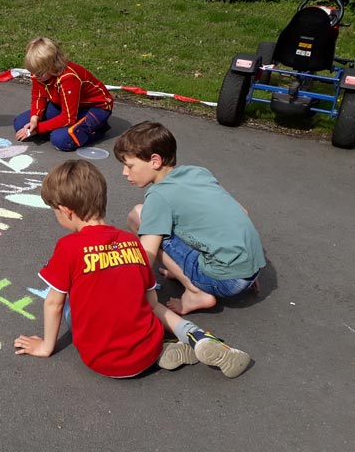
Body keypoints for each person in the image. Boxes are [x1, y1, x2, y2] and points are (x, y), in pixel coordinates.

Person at [14, 160, 251, 378]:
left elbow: (53, 304)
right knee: (131, 297)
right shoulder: (131, 240)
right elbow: (150, 301)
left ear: (67, 211)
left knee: (67, 301)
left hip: (104, 363)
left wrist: (46, 346)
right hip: (148, 350)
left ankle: (166, 348)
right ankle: (174, 344)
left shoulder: (68, 247)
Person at [113, 121, 266, 315]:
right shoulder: (198, 172)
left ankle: (195, 292)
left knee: (137, 217)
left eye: (129, 165)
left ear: (155, 161)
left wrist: (121, 289)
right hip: (251, 268)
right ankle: (187, 271)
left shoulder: (159, 195)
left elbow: (147, 254)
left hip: (226, 281)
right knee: (177, 221)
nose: (124, 173)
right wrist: (247, 263)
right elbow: (242, 212)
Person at [13, 37, 113, 151]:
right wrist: (34, 120)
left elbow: (68, 118)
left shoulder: (68, 79)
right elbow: (38, 96)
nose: (35, 76)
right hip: (64, 104)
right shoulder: (38, 73)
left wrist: (38, 129)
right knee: (21, 124)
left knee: (61, 140)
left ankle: (98, 127)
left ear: (52, 67)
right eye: (32, 72)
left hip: (95, 108)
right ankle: (55, 129)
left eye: (39, 73)